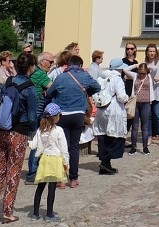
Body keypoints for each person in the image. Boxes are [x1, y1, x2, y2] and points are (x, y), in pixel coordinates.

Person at [0, 52, 38, 223]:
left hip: (1, 131)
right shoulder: (30, 88)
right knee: (13, 171)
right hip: (18, 132)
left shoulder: (9, 82)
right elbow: (32, 116)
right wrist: (33, 131)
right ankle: (7, 211)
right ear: (31, 67)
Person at [50, 54, 101, 182]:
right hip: (78, 114)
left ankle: (61, 179)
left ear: (68, 64)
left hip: (62, 115)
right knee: (74, 147)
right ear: (80, 65)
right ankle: (73, 179)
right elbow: (97, 87)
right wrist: (85, 91)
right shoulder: (84, 76)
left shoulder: (60, 77)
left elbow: (49, 93)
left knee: (62, 146)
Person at [28, 102, 69, 221]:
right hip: (55, 160)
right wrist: (66, 163)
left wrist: (25, 141)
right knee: (51, 189)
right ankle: (49, 214)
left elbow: (33, 145)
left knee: (40, 187)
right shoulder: (59, 130)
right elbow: (64, 149)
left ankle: (35, 213)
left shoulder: (40, 130)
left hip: (44, 159)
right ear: (55, 117)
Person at [94, 64, 128, 174]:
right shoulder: (117, 79)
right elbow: (121, 97)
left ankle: (105, 164)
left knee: (103, 137)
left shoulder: (100, 78)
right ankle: (105, 162)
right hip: (114, 110)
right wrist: (128, 98)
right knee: (116, 137)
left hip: (101, 110)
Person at [25, 51, 54, 182]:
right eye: (50, 62)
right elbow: (52, 88)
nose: (52, 65)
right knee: (37, 142)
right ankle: (32, 173)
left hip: (29, 111)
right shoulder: (40, 74)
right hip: (36, 112)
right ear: (42, 61)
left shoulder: (33, 72)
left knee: (34, 141)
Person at [144, 44, 159, 146]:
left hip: (157, 92)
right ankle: (149, 137)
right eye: (150, 51)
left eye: (153, 51)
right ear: (147, 52)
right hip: (148, 93)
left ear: (156, 52)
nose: (152, 53)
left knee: (157, 115)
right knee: (148, 116)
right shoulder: (145, 63)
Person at [129, 63, 154, 154]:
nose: (142, 74)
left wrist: (146, 67)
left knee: (145, 127)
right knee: (135, 127)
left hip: (146, 103)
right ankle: (133, 147)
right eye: (140, 72)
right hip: (135, 103)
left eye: (144, 73)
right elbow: (125, 70)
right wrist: (136, 65)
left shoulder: (149, 76)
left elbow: (155, 68)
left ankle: (145, 147)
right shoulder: (135, 76)